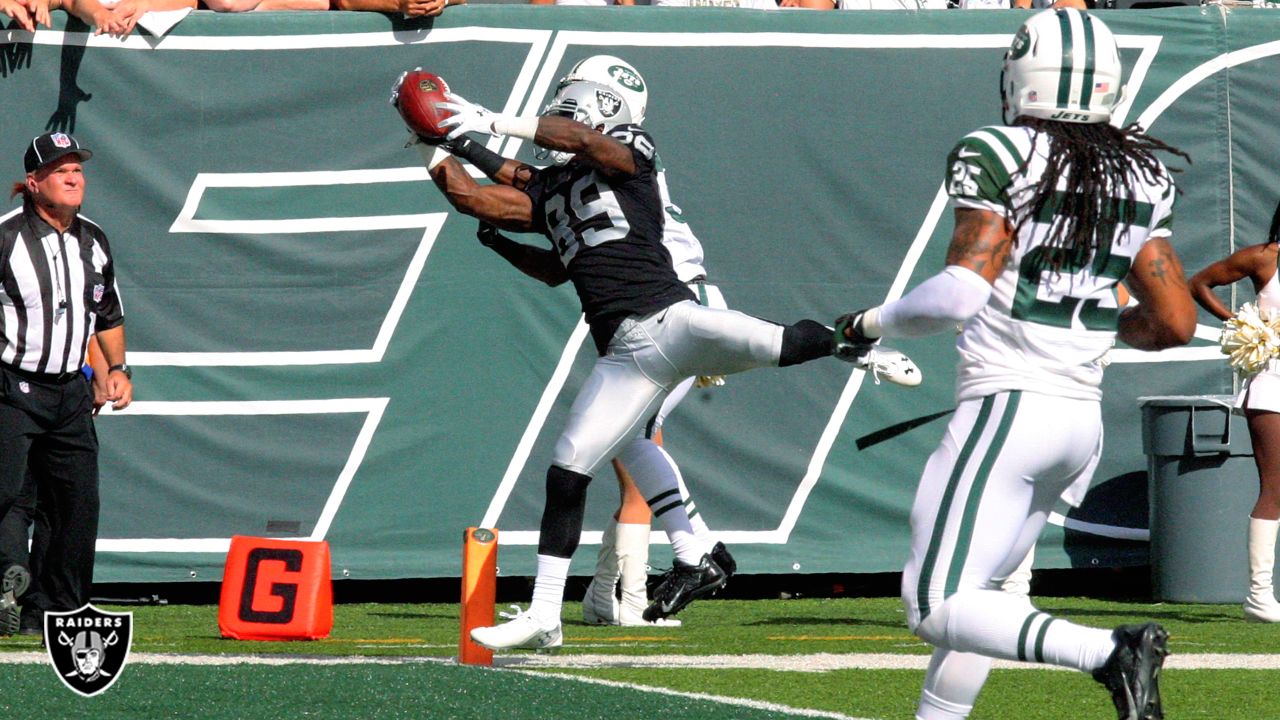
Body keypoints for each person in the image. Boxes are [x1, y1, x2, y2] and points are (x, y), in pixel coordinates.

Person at [391, 69, 913, 651]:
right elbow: (480, 195)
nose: (555, 127)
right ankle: (545, 614)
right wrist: (433, 144)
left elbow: (586, 145)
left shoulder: (631, 155)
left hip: (678, 319)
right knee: (568, 470)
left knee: (783, 343)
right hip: (625, 356)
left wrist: (489, 121)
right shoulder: (557, 190)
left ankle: (861, 342)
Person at [834, 9, 1195, 719]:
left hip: (1009, 409)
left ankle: (1108, 653)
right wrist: (1089, 321)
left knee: (934, 604)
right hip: (1077, 421)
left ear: (1020, 75)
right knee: (983, 596)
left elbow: (958, 295)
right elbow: (1175, 321)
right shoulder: (1145, 172)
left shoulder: (999, 151)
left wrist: (869, 322)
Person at [0, 132, 133, 639]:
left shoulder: (93, 239)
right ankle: (8, 579)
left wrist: (116, 370)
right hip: (12, 384)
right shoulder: (7, 237)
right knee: (8, 493)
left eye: (78, 168)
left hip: (71, 391)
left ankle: (54, 608)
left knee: (76, 503)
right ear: (34, 184)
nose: (74, 177)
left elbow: (107, 312)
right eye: (61, 171)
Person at [1188, 199, 1280, 623]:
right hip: (1273, 383)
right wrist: (1240, 326)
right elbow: (1199, 283)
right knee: (1275, 488)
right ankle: (1260, 596)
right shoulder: (1264, 258)